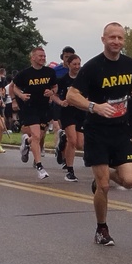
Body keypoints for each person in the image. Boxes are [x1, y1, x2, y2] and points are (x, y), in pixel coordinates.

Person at [66, 22, 132, 246]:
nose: (116, 42)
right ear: (103, 39)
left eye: (120, 38)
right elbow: (72, 95)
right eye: (112, 37)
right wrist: (95, 106)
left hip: (121, 130)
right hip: (97, 132)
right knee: (103, 186)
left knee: (130, 181)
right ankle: (101, 229)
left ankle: (105, 174)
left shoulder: (129, 64)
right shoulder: (92, 67)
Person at [12, 48, 57, 180]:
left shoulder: (50, 72)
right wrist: (20, 95)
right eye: (40, 56)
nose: (43, 58)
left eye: (44, 56)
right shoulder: (25, 73)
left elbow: (55, 86)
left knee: (38, 137)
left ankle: (26, 141)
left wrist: (52, 92)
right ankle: (39, 167)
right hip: (30, 107)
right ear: (32, 58)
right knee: (36, 135)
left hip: (44, 107)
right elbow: (14, 86)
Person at [53, 53, 83, 182]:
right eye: (74, 64)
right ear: (68, 65)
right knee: (73, 141)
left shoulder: (84, 79)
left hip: (82, 112)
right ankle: (70, 171)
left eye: (78, 64)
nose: (77, 67)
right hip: (68, 112)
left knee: (80, 144)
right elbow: (53, 95)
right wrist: (61, 102)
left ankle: (62, 140)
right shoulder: (63, 80)